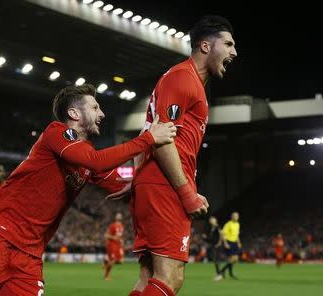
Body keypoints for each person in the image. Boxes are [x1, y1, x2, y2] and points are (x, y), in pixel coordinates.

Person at [0, 84, 176, 295]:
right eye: (94, 108)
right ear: (74, 113)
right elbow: (96, 161)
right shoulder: (56, 133)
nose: (101, 113)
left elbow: (121, 181)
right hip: (0, 236)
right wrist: (147, 139)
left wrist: (177, 186)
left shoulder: (87, 157)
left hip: (30, 253)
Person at [129, 15, 237, 296]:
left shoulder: (187, 82)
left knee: (148, 278)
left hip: (153, 182)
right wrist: (187, 192)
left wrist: (137, 178)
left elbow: (148, 131)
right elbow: (163, 140)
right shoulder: (183, 77)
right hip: (164, 185)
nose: (233, 52)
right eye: (228, 44)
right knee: (170, 277)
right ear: (205, 46)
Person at [216, 212, 241, 280]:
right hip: (229, 242)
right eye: (235, 216)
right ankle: (222, 272)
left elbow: (237, 235)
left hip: (235, 243)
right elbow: (223, 234)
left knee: (234, 260)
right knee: (233, 259)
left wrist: (239, 242)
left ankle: (227, 273)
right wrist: (225, 243)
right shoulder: (228, 224)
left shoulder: (237, 224)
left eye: (237, 216)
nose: (236, 217)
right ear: (232, 217)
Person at [103, 212, 125, 280]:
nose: (119, 216)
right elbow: (106, 235)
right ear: (115, 217)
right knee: (113, 260)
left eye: (120, 215)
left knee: (120, 261)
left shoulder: (121, 226)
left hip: (118, 245)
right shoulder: (113, 225)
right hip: (112, 244)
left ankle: (106, 260)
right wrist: (113, 238)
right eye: (118, 215)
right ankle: (106, 275)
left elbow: (119, 236)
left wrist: (121, 240)